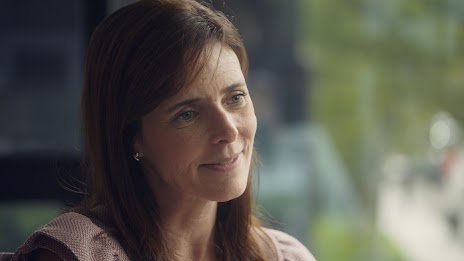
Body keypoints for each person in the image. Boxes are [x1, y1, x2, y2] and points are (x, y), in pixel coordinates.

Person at [2, 0, 317, 260]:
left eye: (235, 98)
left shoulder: (284, 256)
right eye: (188, 114)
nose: (229, 130)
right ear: (133, 137)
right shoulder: (75, 254)